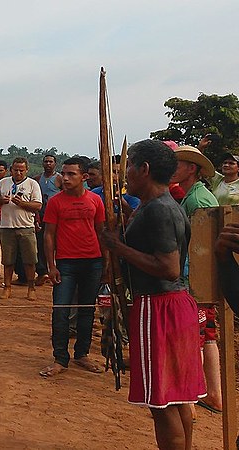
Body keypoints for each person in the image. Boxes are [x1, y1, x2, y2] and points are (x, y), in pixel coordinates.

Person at [101, 139, 205, 450]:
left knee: (163, 403)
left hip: (159, 308)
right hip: (171, 306)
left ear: (144, 169)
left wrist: (118, 247)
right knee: (177, 398)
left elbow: (169, 267)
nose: (126, 172)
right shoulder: (154, 206)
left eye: (130, 165)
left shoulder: (159, 209)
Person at [39, 158, 106, 377]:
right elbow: (48, 235)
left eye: (71, 174)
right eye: (64, 174)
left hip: (93, 261)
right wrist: (51, 265)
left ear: (84, 177)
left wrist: (106, 263)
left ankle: (82, 353)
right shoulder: (56, 202)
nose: (65, 178)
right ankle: (60, 358)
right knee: (60, 311)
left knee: (87, 310)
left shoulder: (95, 201)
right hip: (65, 264)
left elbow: (101, 232)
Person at [170, 145, 222, 414]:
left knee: (195, 338)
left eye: (179, 165)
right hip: (201, 280)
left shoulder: (197, 201)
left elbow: (199, 248)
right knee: (208, 336)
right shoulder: (195, 195)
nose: (173, 169)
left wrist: (188, 281)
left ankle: (193, 396)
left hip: (195, 281)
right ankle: (213, 394)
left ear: (191, 168)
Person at [0, 157, 43, 300]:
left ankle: (31, 288)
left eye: (21, 170)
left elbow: (38, 205)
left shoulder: (32, 184)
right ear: (11, 170)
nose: (18, 173)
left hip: (26, 227)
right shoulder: (3, 182)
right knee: (8, 260)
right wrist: (1, 200)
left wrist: (22, 204)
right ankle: (7, 287)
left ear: (27, 170)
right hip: (7, 226)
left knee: (30, 260)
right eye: (15, 170)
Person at [33, 154, 62, 286]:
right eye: (46, 161)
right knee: (42, 244)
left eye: (51, 162)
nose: (48, 164)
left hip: (58, 217)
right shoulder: (38, 179)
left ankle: (57, 272)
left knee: (58, 244)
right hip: (42, 215)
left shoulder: (59, 178)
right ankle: (42, 272)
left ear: (55, 164)